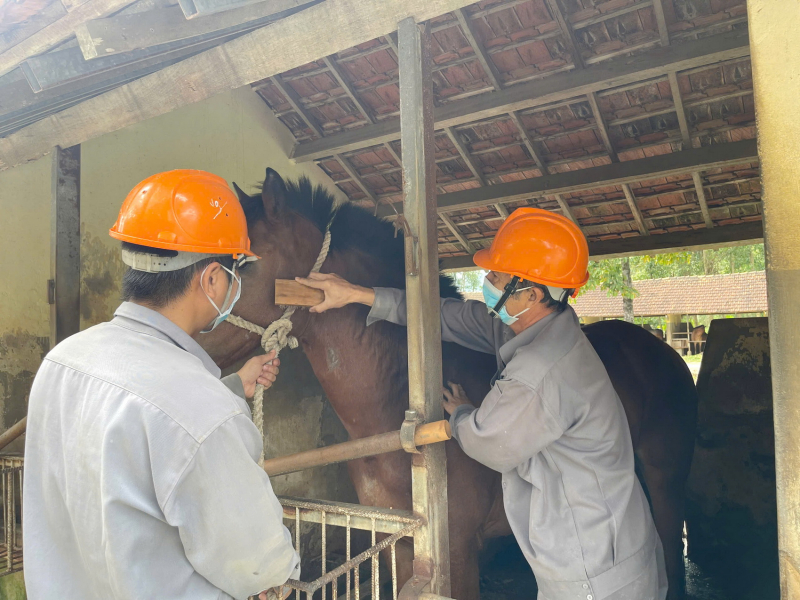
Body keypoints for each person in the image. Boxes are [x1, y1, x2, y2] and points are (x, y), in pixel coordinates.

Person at [297, 207, 668, 600]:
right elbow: (444, 316)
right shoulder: (537, 326)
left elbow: (488, 441)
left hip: (591, 570)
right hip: (616, 542)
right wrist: (355, 293)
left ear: (531, 293)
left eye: (496, 276)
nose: (486, 281)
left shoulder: (541, 369)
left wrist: (461, 415)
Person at [24, 170, 299, 600]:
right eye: (235, 270)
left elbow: (134, 435)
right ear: (211, 280)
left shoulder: (61, 362)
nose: (234, 283)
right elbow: (257, 565)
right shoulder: (204, 412)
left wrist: (229, 388)